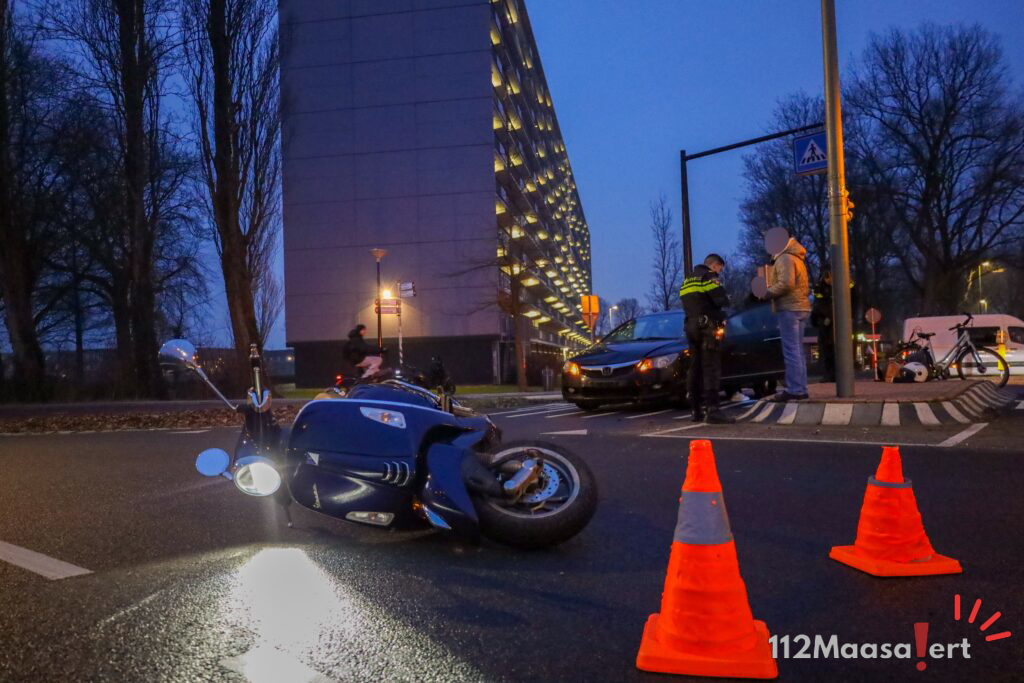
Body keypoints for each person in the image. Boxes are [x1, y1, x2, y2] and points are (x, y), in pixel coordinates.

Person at [679, 253, 735, 424]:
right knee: (711, 367)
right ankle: (713, 410)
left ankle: (695, 410)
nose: (719, 272)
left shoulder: (687, 280)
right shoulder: (709, 277)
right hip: (707, 327)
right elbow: (720, 300)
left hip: (690, 326)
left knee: (694, 368)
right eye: (719, 268)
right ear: (714, 265)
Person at [762, 235, 811, 400]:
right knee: (798, 351)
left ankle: (795, 390)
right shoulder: (798, 258)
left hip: (789, 308)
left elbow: (786, 283)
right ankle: (801, 387)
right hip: (801, 306)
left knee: (791, 351)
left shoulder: (784, 258)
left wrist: (767, 293)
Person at [811, 270, 836, 383]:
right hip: (823, 323)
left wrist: (829, 317)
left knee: (832, 351)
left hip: (830, 324)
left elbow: (831, 305)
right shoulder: (820, 289)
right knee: (826, 351)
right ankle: (829, 375)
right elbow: (818, 303)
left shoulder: (834, 289)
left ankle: (833, 375)